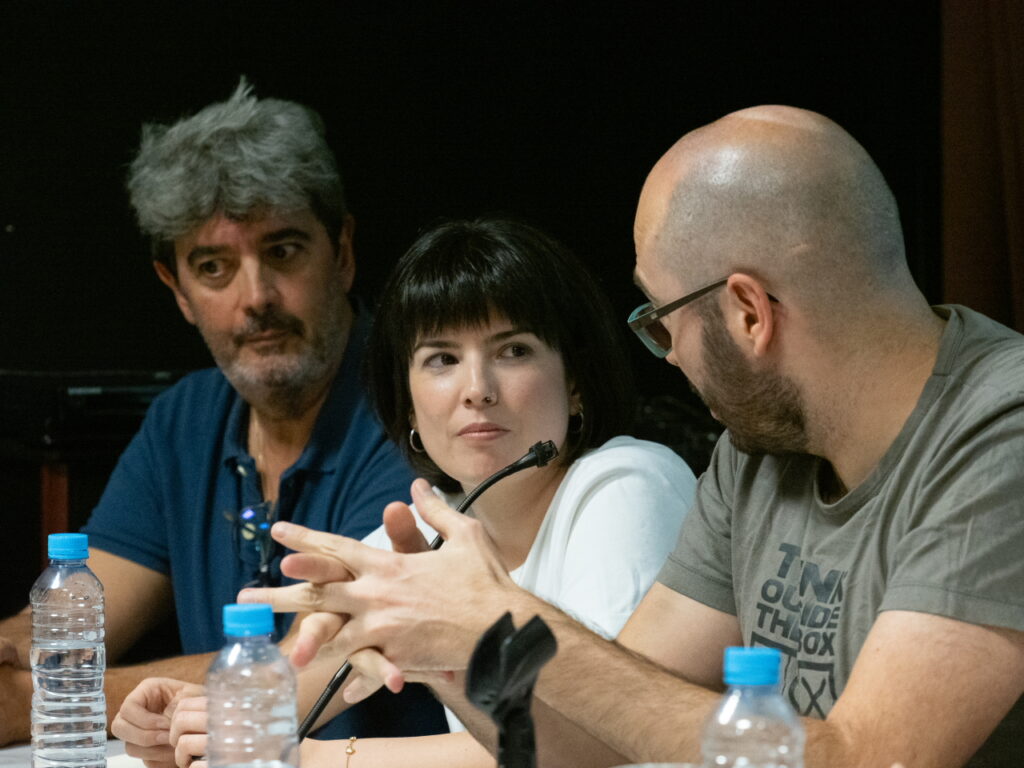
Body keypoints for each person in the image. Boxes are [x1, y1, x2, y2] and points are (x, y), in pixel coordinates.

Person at [233, 106, 1024, 767]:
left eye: (661, 319)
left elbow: (868, 758)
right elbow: (592, 738)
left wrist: (497, 617)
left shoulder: (1003, 429)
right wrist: (444, 642)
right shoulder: (754, 455)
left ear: (749, 314)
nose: (667, 353)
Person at [111, 217, 698, 768]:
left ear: (574, 383)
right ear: (409, 402)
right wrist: (188, 717)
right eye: (442, 358)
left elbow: (599, 748)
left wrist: (313, 759)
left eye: (513, 351)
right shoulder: (426, 532)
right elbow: (284, 698)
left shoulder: (625, 483)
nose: (477, 390)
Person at [0, 79, 446, 745]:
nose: (256, 296)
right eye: (214, 267)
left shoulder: (424, 406)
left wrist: (45, 699)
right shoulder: (185, 420)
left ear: (343, 252)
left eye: (284, 250)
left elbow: (313, 661)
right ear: (175, 289)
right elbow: (64, 623)